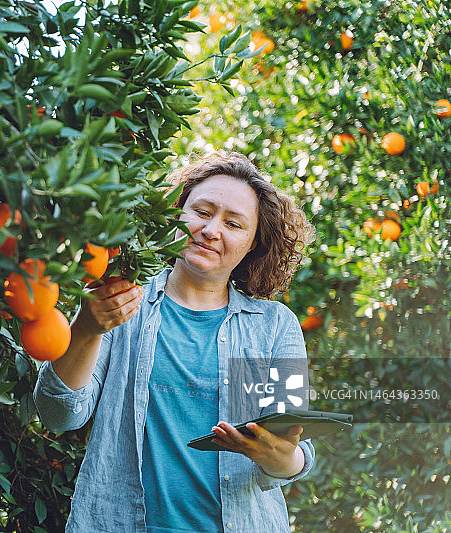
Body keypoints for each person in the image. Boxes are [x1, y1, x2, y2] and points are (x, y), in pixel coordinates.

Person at [33, 151, 317, 532]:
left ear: (252, 244)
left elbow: (290, 453)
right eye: (202, 212)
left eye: (234, 224)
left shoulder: (271, 326)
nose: (212, 230)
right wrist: (87, 327)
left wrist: (282, 457)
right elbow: (59, 414)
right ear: (177, 213)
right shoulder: (120, 300)